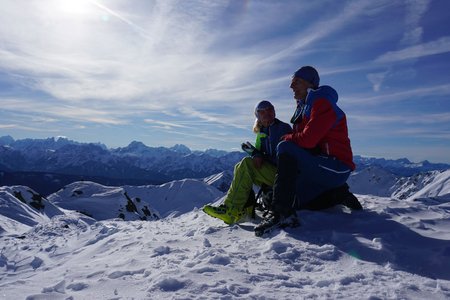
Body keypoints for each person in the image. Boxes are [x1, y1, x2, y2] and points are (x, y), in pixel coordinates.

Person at [254, 66, 362, 236]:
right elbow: (303, 140)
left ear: (310, 84)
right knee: (297, 201)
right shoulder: (304, 107)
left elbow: (308, 140)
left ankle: (282, 213)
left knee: (285, 146)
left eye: (296, 82)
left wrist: (287, 138)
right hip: (319, 164)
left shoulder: (321, 103)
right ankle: (337, 194)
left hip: (336, 165)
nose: (291, 87)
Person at [203, 100, 292, 224]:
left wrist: (259, 155)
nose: (267, 113)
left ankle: (231, 210)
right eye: (262, 111)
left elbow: (284, 157)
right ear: (258, 116)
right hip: (273, 173)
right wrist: (255, 153)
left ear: (274, 111)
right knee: (239, 167)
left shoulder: (282, 128)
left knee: (246, 164)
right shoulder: (262, 132)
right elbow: (261, 156)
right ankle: (246, 207)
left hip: (283, 177)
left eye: (270, 109)